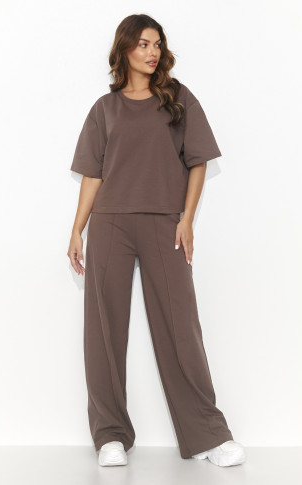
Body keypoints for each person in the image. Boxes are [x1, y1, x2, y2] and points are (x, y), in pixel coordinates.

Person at [67, 14, 246, 468]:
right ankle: (110, 435)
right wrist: (77, 228)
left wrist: (186, 220)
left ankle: (207, 434)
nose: (152, 52)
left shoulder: (178, 99)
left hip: (165, 224)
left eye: (157, 44)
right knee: (104, 330)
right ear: (124, 49)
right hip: (110, 223)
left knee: (180, 327)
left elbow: (198, 162)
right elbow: (93, 174)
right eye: (143, 44)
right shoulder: (104, 109)